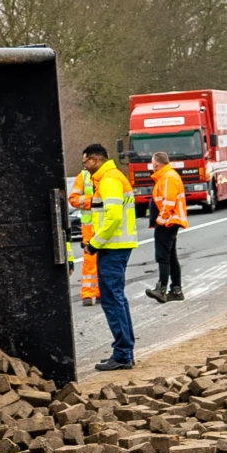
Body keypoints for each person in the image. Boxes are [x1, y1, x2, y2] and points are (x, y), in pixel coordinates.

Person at [73, 142, 138, 370]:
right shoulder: (111, 177)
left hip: (113, 246)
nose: (85, 167)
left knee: (112, 299)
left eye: (85, 162)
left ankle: (122, 354)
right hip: (117, 245)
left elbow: (112, 218)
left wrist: (94, 243)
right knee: (116, 298)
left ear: (94, 159)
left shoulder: (109, 179)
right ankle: (125, 351)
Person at [147, 155, 187, 300]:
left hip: (168, 222)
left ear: (157, 164)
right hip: (170, 221)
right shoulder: (167, 176)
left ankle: (162, 288)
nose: (152, 167)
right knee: (170, 256)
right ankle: (176, 289)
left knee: (162, 256)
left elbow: (168, 202)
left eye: (153, 164)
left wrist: (161, 220)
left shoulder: (168, 177)